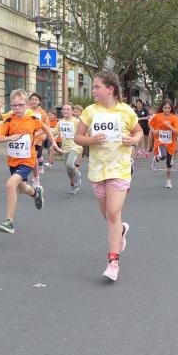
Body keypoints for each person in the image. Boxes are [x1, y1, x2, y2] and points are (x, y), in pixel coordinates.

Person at [74, 71, 143, 282]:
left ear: (110, 89)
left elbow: (138, 132)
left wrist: (133, 141)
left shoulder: (126, 111)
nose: (93, 91)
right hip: (98, 169)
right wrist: (91, 140)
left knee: (113, 213)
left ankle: (113, 263)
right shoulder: (90, 111)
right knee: (108, 215)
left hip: (119, 168)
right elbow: (78, 137)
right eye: (94, 87)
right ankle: (121, 230)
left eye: (97, 87)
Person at [0, 89, 60, 234]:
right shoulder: (8, 120)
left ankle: (9, 222)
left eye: (21, 105)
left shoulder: (32, 119)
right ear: (11, 106)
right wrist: (10, 138)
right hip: (13, 161)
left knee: (10, 185)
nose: (17, 108)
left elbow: (46, 127)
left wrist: (54, 142)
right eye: (14, 105)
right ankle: (36, 194)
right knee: (23, 188)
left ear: (27, 105)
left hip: (27, 161)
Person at [149, 99, 178, 188]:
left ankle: (168, 181)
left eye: (169, 108)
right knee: (163, 155)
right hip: (160, 141)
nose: (167, 110)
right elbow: (150, 124)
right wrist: (153, 131)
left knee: (169, 164)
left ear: (171, 108)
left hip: (171, 143)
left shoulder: (174, 118)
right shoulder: (157, 116)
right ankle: (157, 158)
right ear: (162, 108)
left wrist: (169, 126)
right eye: (165, 108)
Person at [52, 103, 84, 194]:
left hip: (75, 146)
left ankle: (77, 174)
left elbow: (83, 132)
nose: (65, 111)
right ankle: (73, 186)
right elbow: (54, 133)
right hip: (65, 147)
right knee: (68, 170)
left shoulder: (76, 121)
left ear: (72, 111)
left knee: (70, 164)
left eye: (68, 109)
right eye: (64, 109)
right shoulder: (60, 122)